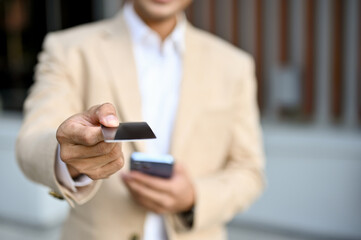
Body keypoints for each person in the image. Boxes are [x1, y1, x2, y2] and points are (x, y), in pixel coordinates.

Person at [16, 0, 265, 239]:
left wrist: (194, 197)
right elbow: (31, 141)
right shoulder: (68, 49)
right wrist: (69, 156)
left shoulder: (233, 65)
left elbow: (249, 170)